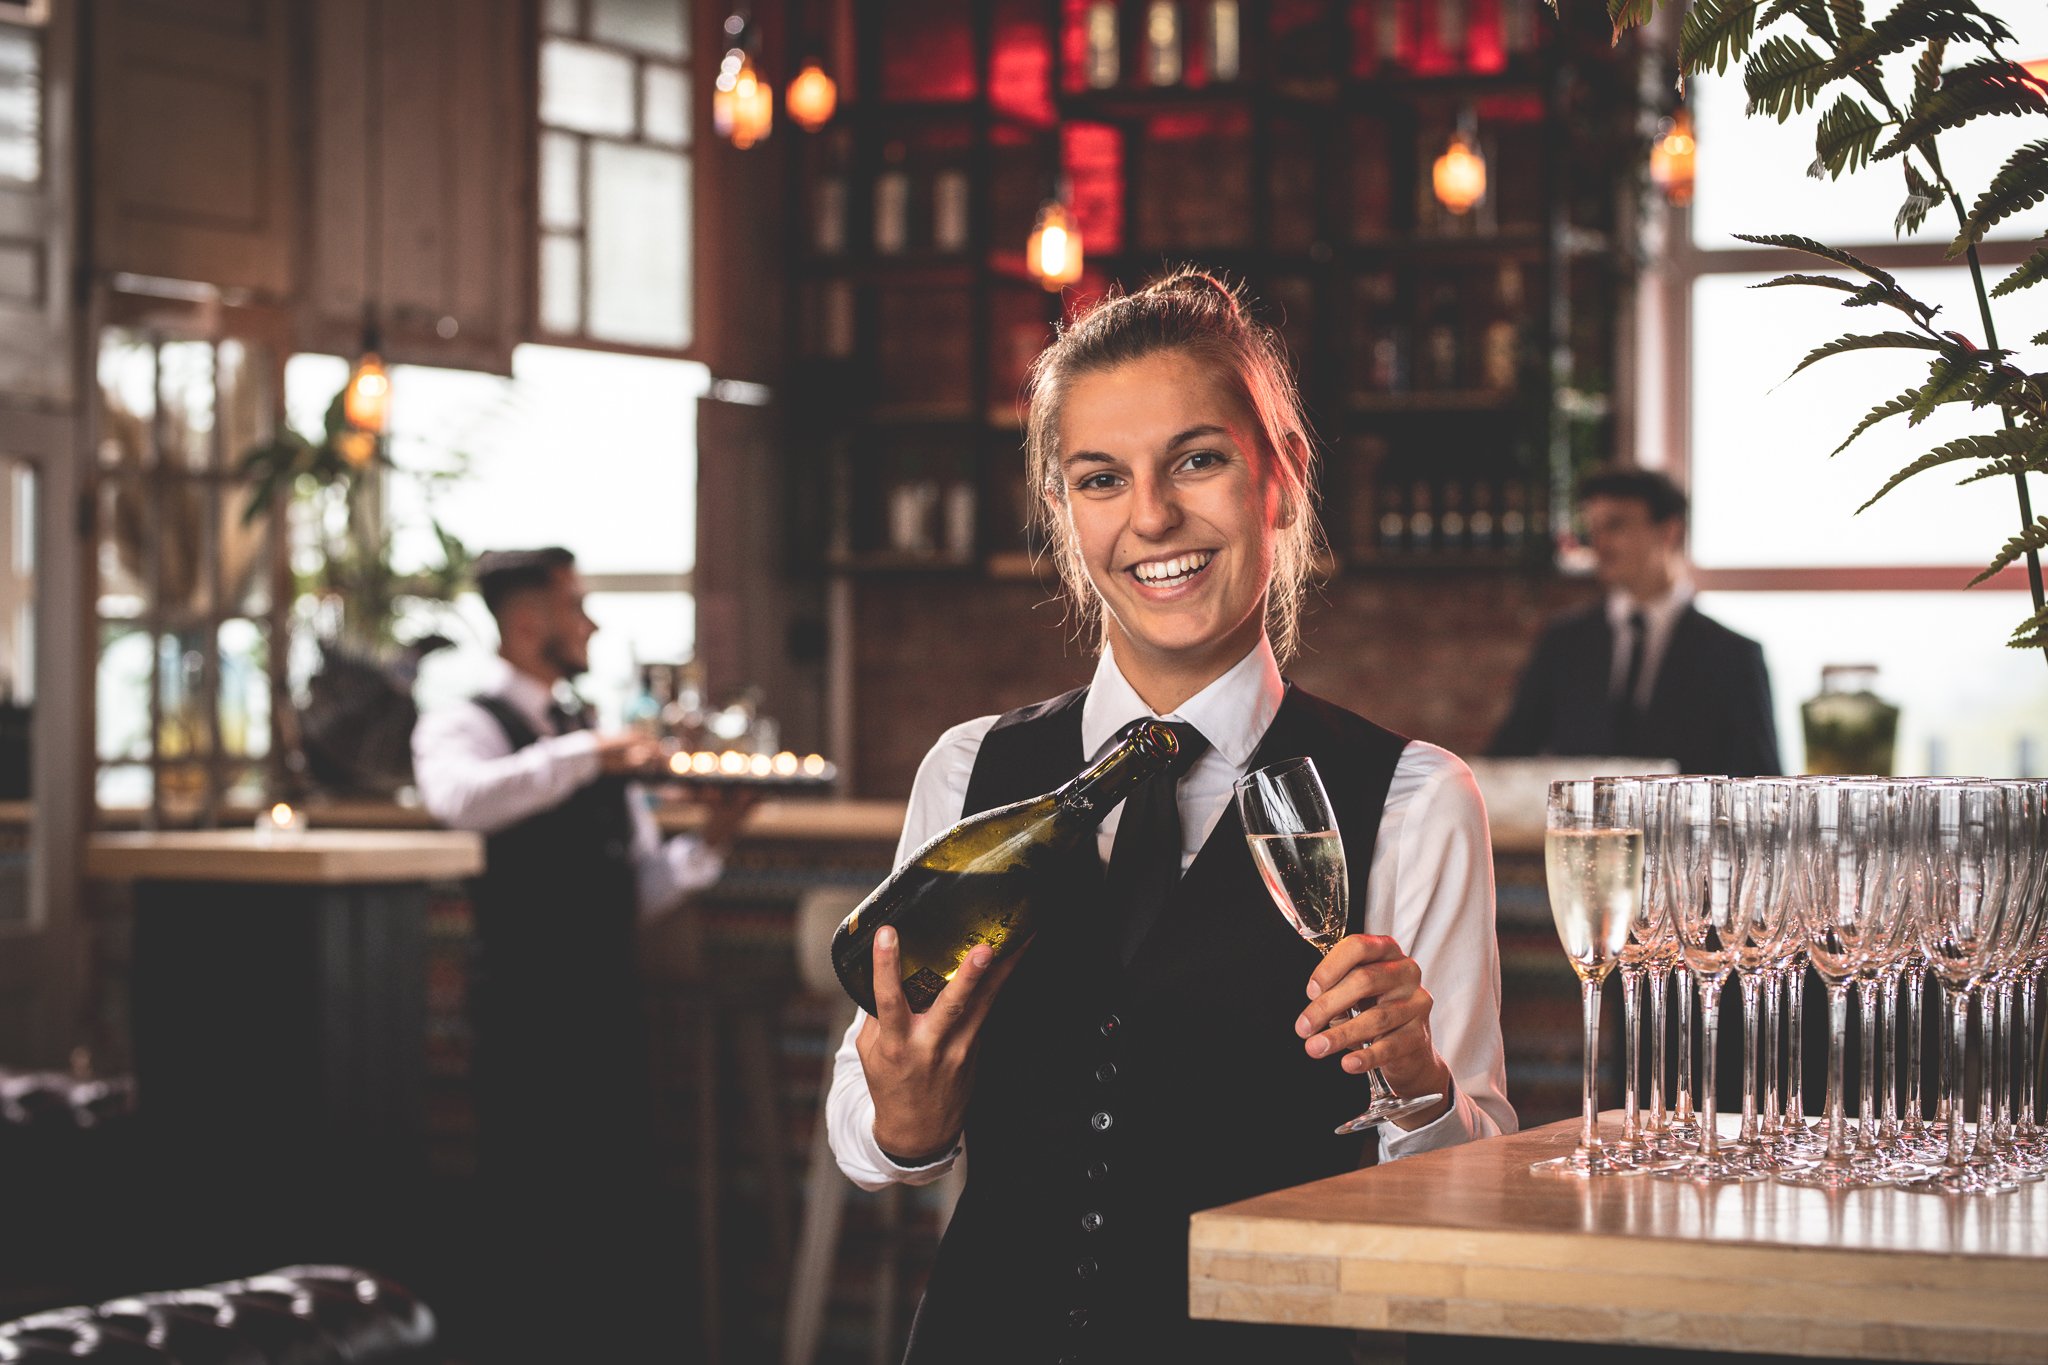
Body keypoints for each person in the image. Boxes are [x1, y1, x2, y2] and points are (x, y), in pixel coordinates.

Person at [825, 271, 1514, 1364]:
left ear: (1277, 475)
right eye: (1100, 479)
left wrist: (1418, 1084)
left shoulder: (1416, 800)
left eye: (1197, 459)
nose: (1151, 517)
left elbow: (1468, 1193)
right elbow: (866, 1128)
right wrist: (904, 1119)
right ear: (1061, 512)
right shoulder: (970, 773)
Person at [411, 547, 751, 1361]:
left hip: (608, 1007)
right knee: (524, 1208)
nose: (590, 622)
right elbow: (459, 799)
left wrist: (713, 839)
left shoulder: (585, 734)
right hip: (521, 1010)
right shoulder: (467, 721)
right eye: (575, 606)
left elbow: (634, 890)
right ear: (528, 622)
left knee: (615, 1205)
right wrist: (590, 755)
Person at [1488, 468, 1781, 777]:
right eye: (1593, 529)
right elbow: (1508, 757)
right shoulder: (1563, 641)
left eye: (1616, 526)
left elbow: (1763, 781)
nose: (1599, 543)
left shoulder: (1733, 655)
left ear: (1670, 531)